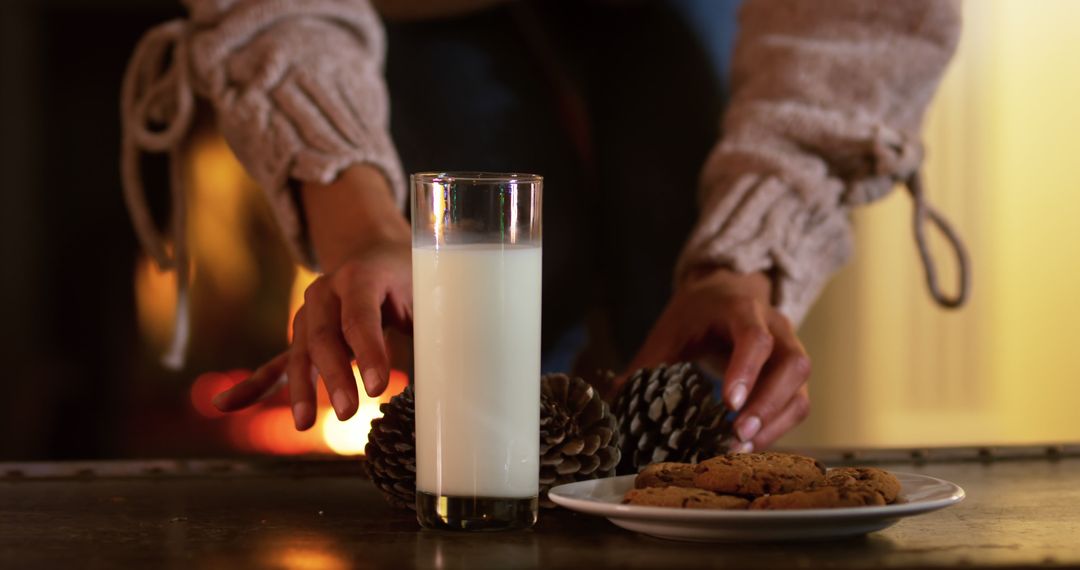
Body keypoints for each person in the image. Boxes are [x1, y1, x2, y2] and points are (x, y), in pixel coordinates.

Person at [121, 0, 968, 453]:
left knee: (686, 372)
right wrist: (360, 222)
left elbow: (863, 19)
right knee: (488, 360)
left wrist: (745, 260)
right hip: (417, 17)